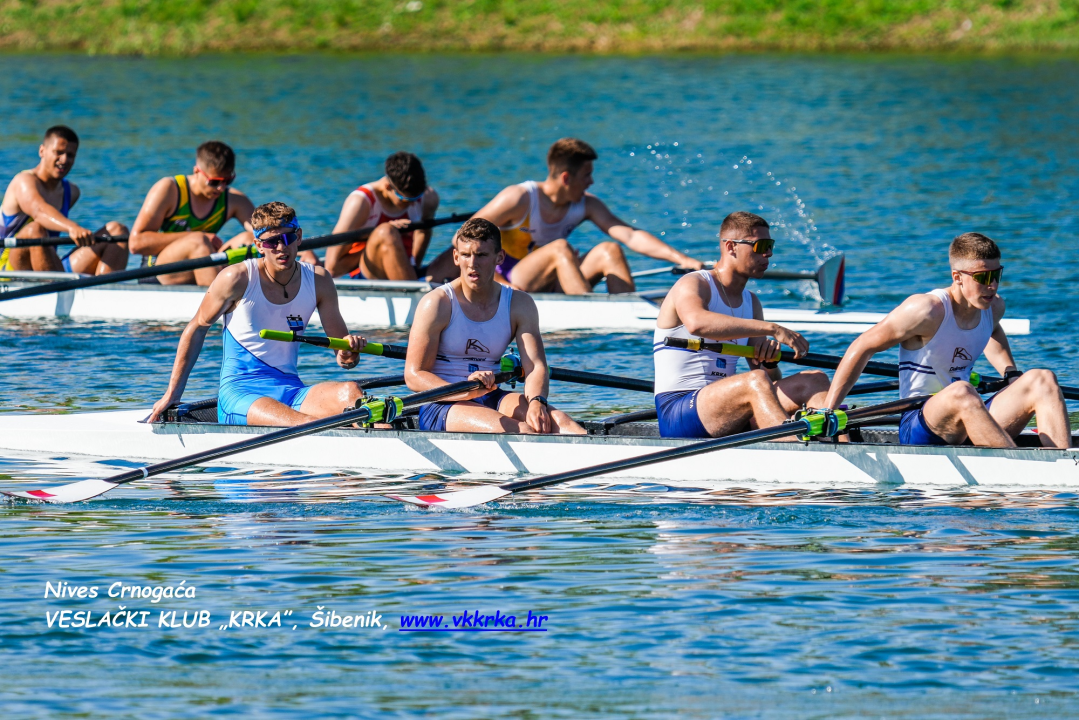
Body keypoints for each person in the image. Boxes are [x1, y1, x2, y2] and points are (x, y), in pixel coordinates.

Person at [823, 232, 1070, 448]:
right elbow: (862, 346)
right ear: (957, 277)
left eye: (997, 275)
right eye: (983, 278)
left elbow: (993, 331)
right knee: (962, 391)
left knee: (1042, 378)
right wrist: (829, 409)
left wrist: (1010, 372)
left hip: (968, 414)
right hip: (919, 423)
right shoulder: (926, 310)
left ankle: (1064, 465)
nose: (993, 286)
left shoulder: (993, 307)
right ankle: (1019, 469)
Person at [148, 201, 368, 427]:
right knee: (309, 424)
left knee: (353, 395)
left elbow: (345, 358)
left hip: (292, 391)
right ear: (259, 245)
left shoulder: (319, 280)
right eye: (272, 242)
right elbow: (196, 329)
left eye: (288, 238)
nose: (281, 247)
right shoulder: (236, 278)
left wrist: (348, 354)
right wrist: (173, 393)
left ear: (299, 237)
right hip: (241, 394)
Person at [424, 138, 703, 294]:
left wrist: (681, 259)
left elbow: (630, 235)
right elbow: (461, 237)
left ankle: (627, 312)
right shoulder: (519, 197)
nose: (591, 182)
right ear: (566, 178)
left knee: (610, 250)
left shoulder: (586, 204)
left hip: (553, 277)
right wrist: (497, 284)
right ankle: (590, 311)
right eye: (587, 175)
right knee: (560, 248)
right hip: (512, 278)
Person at [651, 211, 830, 439]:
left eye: (770, 246)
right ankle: (794, 448)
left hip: (727, 411)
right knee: (754, 382)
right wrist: (773, 329)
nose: (768, 254)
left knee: (815, 379)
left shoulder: (751, 302)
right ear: (731, 247)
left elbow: (768, 378)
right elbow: (697, 323)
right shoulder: (694, 283)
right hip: (679, 411)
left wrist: (769, 362)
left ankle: (839, 445)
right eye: (760, 246)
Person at [404, 217, 584, 435]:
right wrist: (464, 392)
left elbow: (535, 367)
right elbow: (414, 375)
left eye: (481, 255)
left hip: (491, 394)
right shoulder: (437, 303)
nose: (472, 263)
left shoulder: (519, 304)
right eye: (466, 255)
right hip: (442, 403)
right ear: (456, 257)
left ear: (499, 257)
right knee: (522, 430)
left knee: (564, 424)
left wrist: (537, 402)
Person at [0, 125, 128, 275]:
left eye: (70, 155)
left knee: (117, 231)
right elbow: (39, 211)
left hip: (49, 265)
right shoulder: (23, 181)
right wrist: (72, 228)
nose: (64, 160)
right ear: (42, 151)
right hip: (8, 269)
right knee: (35, 230)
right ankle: (55, 283)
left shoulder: (72, 192)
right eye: (58, 153)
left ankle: (104, 287)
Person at [129, 141, 258, 286]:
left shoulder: (234, 199)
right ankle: (216, 297)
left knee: (251, 239)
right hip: (156, 271)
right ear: (197, 171)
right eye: (214, 182)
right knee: (198, 242)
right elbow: (136, 243)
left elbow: (264, 232)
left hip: (202, 264)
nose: (221, 188)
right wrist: (197, 236)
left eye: (228, 181)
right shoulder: (169, 190)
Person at [324, 151, 439, 280]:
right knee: (386, 232)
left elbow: (423, 232)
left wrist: (414, 266)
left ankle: (412, 282)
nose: (413, 204)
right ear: (388, 187)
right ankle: (414, 289)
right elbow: (332, 268)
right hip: (367, 275)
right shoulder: (360, 203)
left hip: (406, 273)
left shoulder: (429, 198)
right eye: (405, 200)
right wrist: (377, 236)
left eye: (417, 198)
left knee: (458, 243)